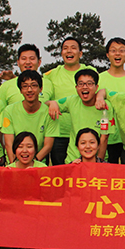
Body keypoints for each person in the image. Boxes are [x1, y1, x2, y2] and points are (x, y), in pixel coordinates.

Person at [44, 37, 97, 165]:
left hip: (85, 133)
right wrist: (51, 103)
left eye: (73, 48)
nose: (69, 51)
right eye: (65, 48)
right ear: (61, 53)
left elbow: (100, 91)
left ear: (80, 53)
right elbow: (40, 96)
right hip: (59, 132)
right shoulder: (51, 74)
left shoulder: (90, 71)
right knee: (61, 172)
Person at [56, 69, 113, 163]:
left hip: (96, 159)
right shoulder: (72, 101)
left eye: (89, 83)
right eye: (81, 84)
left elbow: (104, 138)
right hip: (73, 160)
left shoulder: (105, 106)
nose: (85, 87)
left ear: (96, 87)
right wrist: (52, 104)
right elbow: (46, 104)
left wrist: (99, 163)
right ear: (76, 87)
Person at [1, 70, 55, 164]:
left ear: (41, 89)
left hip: (38, 163)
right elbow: (9, 144)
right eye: (25, 86)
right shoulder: (9, 110)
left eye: (34, 85)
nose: (29, 90)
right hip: (15, 163)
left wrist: (33, 164)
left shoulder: (49, 112)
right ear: (20, 90)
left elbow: (48, 146)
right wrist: (15, 165)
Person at [68, 127, 105, 249]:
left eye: (92, 142)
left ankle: (100, 242)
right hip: (79, 210)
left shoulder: (107, 168)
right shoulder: (71, 167)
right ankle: (77, 248)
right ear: (77, 147)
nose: (88, 146)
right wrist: (71, 171)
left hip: (101, 208)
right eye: (83, 143)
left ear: (98, 145)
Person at [99, 38, 125, 163]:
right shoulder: (99, 78)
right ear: (107, 54)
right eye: (113, 50)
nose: (117, 53)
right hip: (105, 137)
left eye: (122, 50)